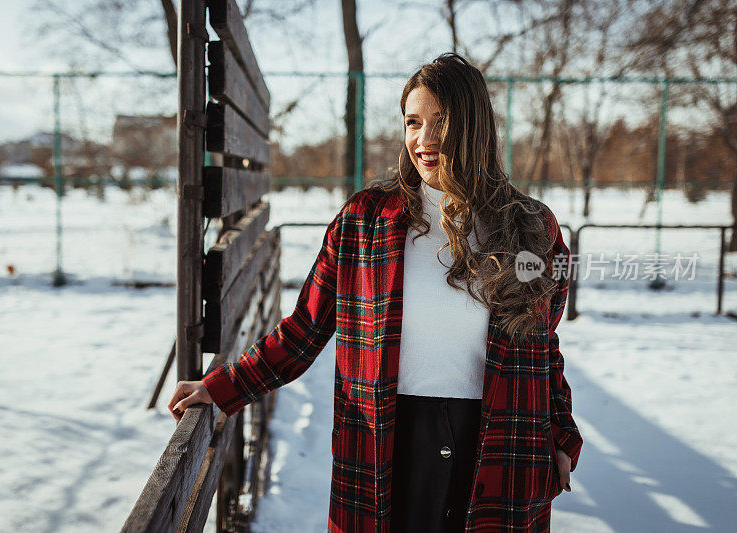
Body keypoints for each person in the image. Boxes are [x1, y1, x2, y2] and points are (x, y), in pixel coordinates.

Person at [168, 52, 583, 532]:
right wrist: (222, 388)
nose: (423, 140)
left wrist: (560, 431)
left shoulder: (533, 228)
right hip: (383, 438)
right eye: (413, 122)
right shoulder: (365, 221)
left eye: (441, 121)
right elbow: (304, 328)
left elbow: (544, 346)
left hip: (502, 438)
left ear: (474, 127)